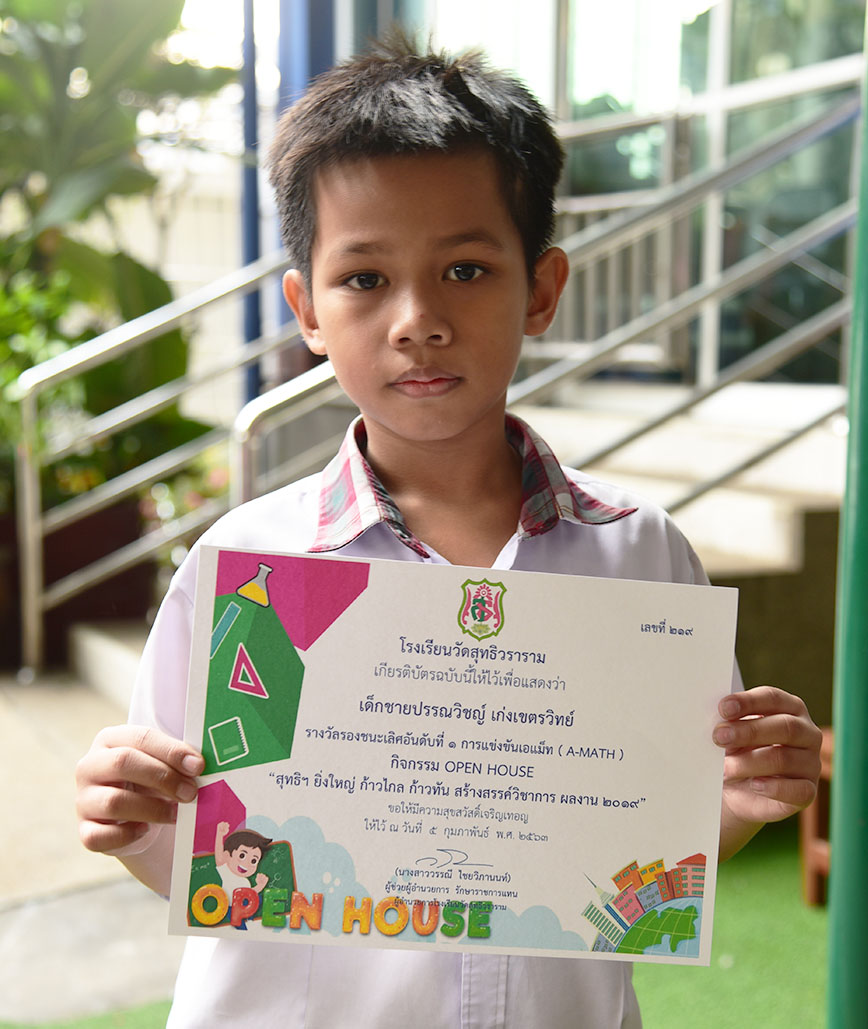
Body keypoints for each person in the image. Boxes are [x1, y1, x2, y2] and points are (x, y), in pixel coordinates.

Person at [75, 33, 822, 1028]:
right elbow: (205, 860)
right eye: (364, 278)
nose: (417, 319)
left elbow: (656, 840)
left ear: (541, 290)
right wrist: (133, 820)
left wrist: (734, 806)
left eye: (466, 269)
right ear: (305, 309)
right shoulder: (247, 568)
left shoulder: (642, 555)